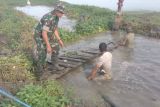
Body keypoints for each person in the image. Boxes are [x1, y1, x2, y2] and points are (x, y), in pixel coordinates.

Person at [33, 5, 65, 75]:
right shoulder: (48, 18)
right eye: (61, 13)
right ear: (56, 11)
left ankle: (55, 66)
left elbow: (55, 29)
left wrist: (59, 40)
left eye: (63, 13)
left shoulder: (57, 17)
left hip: (48, 34)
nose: (62, 15)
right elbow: (44, 33)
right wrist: (48, 46)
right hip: (40, 36)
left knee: (56, 47)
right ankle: (39, 74)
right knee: (42, 54)